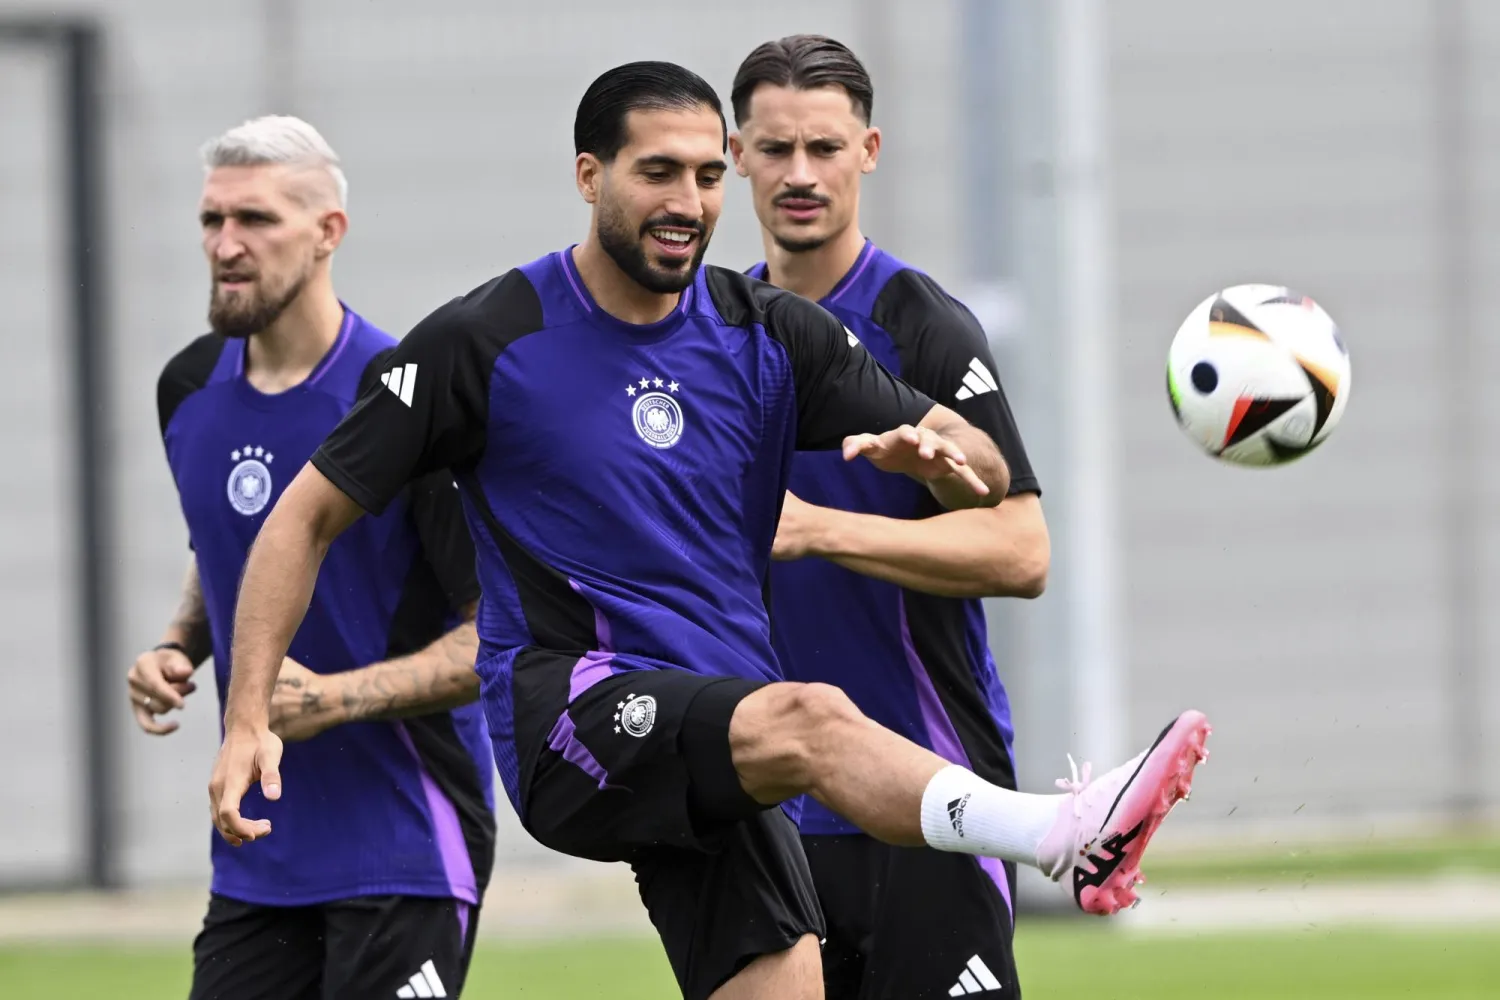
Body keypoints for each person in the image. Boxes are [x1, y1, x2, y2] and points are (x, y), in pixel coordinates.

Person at [205, 66, 1208, 1000]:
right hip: (575, 709)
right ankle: (1058, 830)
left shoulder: (767, 331)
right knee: (813, 716)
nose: (686, 199)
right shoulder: (488, 338)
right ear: (590, 176)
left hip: (728, 745)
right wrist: (248, 714)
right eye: (656, 173)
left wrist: (949, 457)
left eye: (700, 172)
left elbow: (978, 465)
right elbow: (305, 515)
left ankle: (1058, 832)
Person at [726, 34, 1189, 998]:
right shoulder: (713, 334)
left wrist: (822, 528)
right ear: (738, 156)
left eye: (824, 146)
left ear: (871, 150)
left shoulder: (919, 326)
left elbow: (1023, 551)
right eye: (775, 150)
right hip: (767, 812)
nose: (799, 174)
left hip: (933, 799)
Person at [134, 115, 495, 1000]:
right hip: (258, 847)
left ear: (328, 232)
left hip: (406, 836)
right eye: (213, 221)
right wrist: (184, 642)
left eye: (255, 220)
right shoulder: (185, 389)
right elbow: (224, 546)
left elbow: (497, 637)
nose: (226, 244)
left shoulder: (405, 399)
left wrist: (333, 699)